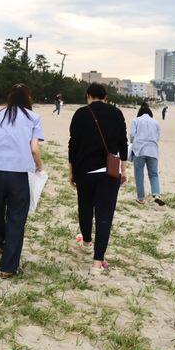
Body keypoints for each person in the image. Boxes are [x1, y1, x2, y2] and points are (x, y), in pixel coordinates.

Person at [68, 83, 128, 275]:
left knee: (85, 206)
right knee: (104, 216)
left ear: (88, 96)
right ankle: (97, 263)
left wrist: (71, 171)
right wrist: (123, 170)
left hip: (84, 170)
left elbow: (73, 145)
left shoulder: (80, 114)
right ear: (106, 97)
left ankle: (86, 241)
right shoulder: (117, 114)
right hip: (109, 172)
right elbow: (123, 144)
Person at [0, 84, 44, 278]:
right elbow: (34, 148)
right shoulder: (33, 118)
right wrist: (39, 166)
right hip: (18, 173)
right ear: (28, 98)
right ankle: (8, 267)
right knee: (16, 217)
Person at [130, 106, 164, 206]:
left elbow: (132, 135)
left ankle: (141, 198)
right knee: (153, 174)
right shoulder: (156, 122)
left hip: (139, 150)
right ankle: (156, 195)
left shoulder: (136, 120)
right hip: (153, 150)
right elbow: (157, 137)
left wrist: (134, 142)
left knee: (139, 174)